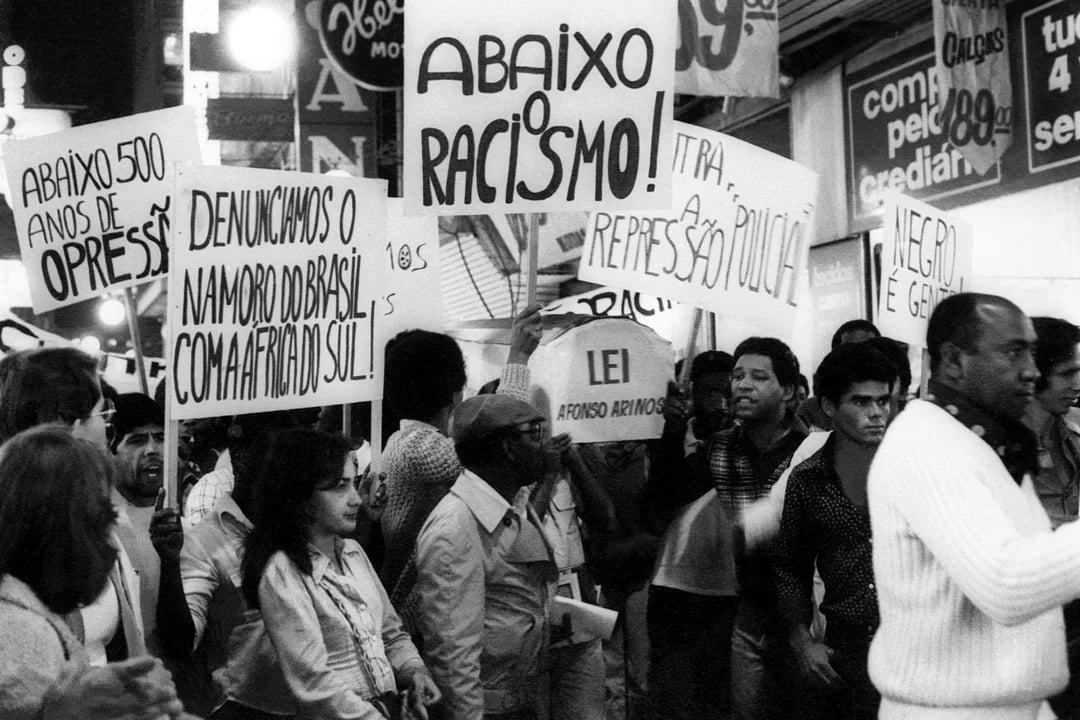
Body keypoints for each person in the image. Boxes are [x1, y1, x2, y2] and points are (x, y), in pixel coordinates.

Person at [868, 292, 1080, 719]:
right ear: (953, 361)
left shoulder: (982, 439)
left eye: (1033, 352)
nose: (1031, 372)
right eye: (1013, 352)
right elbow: (1008, 584)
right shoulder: (926, 443)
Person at [240, 428, 440, 720]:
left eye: (353, 483)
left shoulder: (354, 553)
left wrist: (415, 671)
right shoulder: (282, 571)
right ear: (299, 495)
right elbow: (313, 683)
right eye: (338, 486)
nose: (355, 499)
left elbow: (390, 635)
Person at [0, 424, 187, 720]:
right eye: (99, 518)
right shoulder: (22, 632)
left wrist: (112, 690)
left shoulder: (28, 611)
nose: (110, 543)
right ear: (58, 527)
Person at [381, 304, 541, 636]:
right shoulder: (416, 447)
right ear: (455, 391)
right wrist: (518, 358)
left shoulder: (407, 443)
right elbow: (494, 444)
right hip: (421, 627)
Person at [773, 342, 898, 719]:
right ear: (829, 407)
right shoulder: (808, 479)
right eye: (860, 402)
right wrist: (800, 640)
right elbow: (789, 566)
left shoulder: (913, 466)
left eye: (883, 401)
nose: (877, 413)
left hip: (914, 640)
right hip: (846, 648)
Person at [0, 347, 146, 664]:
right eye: (102, 413)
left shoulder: (99, 516)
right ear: (68, 424)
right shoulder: (14, 528)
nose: (108, 428)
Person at [416, 394, 557, 720]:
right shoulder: (455, 529)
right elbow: (453, 657)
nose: (543, 445)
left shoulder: (509, 506)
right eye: (534, 433)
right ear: (508, 446)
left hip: (519, 700)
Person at [157, 411, 300, 719]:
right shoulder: (203, 542)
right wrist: (170, 564)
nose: (284, 474)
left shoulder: (301, 530)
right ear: (241, 457)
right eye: (274, 460)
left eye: (291, 463)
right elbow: (181, 642)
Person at [640, 349, 738, 720]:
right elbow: (661, 501)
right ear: (691, 393)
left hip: (728, 593)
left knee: (718, 699)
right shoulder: (667, 439)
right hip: (675, 591)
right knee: (673, 699)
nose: (720, 402)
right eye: (710, 392)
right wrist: (672, 434)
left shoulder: (745, 441)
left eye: (728, 391)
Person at [1025, 316, 1080, 718]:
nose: (1077, 384)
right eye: (1067, 374)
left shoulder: (1073, 435)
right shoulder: (1002, 445)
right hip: (1036, 609)